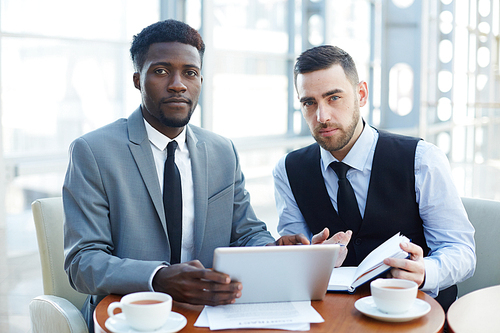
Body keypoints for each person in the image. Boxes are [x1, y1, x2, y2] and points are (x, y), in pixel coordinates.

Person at [63, 20, 347, 330]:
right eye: (160, 71)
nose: (178, 84)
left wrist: (274, 252)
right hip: (130, 313)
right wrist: (157, 277)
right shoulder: (94, 151)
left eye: (190, 73)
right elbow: (82, 262)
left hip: (209, 311)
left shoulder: (221, 151)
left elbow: (247, 233)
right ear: (137, 80)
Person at [273, 45, 476, 311]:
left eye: (333, 98)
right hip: (336, 316)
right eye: (309, 103)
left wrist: (425, 271)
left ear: (361, 94)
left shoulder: (421, 159)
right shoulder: (288, 170)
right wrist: (314, 258)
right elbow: (294, 257)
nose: (322, 117)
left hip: (418, 312)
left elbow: (461, 250)